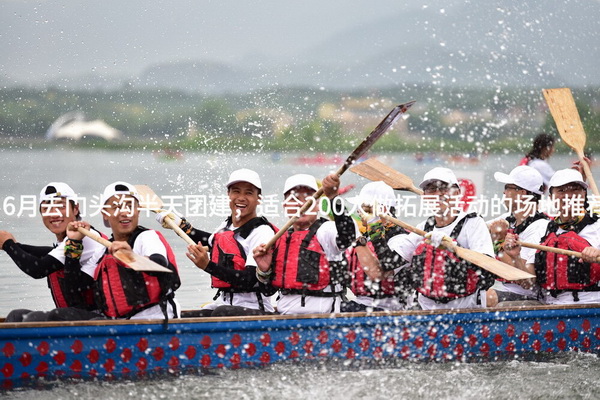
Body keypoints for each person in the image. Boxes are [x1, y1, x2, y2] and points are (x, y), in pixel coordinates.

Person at [164, 169, 278, 316]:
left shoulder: (262, 232)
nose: (241, 198)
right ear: (228, 195)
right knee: (178, 317)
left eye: (249, 193)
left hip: (256, 308)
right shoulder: (227, 225)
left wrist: (208, 266)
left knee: (221, 312)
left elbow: (250, 280)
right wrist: (180, 225)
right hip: (225, 304)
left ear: (259, 198)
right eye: (236, 192)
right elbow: (209, 241)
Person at [387, 167, 496, 310]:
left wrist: (453, 249)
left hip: (466, 307)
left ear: (457, 193)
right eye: (431, 190)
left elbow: (488, 271)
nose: (437, 194)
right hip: (427, 308)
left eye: (443, 188)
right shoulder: (423, 228)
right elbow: (388, 266)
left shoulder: (473, 223)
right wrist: (378, 227)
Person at [0, 182, 106, 322]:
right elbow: (48, 253)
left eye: (61, 206)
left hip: (100, 318)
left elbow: (37, 269)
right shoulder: (66, 241)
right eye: (47, 207)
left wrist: (9, 245)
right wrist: (16, 245)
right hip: (76, 316)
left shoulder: (85, 235)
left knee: (49, 316)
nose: (54, 213)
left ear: (75, 209)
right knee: (16, 316)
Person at [252, 173, 356, 315]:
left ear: (318, 204)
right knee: (223, 312)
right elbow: (267, 291)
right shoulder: (280, 239)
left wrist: (333, 197)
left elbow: (347, 236)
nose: (302, 204)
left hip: (322, 319)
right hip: (285, 319)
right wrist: (264, 271)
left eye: (309, 198)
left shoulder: (327, 230)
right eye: (294, 198)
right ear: (285, 206)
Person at [85, 181, 181, 320]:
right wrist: (73, 244)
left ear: (138, 210)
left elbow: (159, 264)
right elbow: (79, 288)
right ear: (105, 213)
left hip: (156, 320)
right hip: (120, 324)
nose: (124, 213)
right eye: (117, 207)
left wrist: (129, 257)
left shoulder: (147, 237)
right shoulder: (102, 251)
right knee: (62, 315)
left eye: (129, 206)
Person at [505, 169, 600, 305]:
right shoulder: (544, 229)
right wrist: (516, 257)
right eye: (561, 191)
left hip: (588, 305)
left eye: (575, 190)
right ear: (551, 197)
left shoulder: (597, 225)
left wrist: (597, 253)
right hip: (549, 306)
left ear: (584, 194)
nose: (568, 196)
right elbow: (528, 283)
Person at [341, 181, 412, 312]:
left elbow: (377, 274)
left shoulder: (402, 239)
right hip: (361, 303)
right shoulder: (366, 235)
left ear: (383, 210)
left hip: (391, 308)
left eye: (362, 208)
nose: (358, 211)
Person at [486, 166, 549, 305]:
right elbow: (476, 228)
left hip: (525, 294)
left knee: (485, 298)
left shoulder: (540, 226)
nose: (504, 192)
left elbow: (525, 280)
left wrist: (499, 242)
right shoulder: (508, 218)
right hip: (501, 287)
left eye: (508, 187)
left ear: (522, 193)